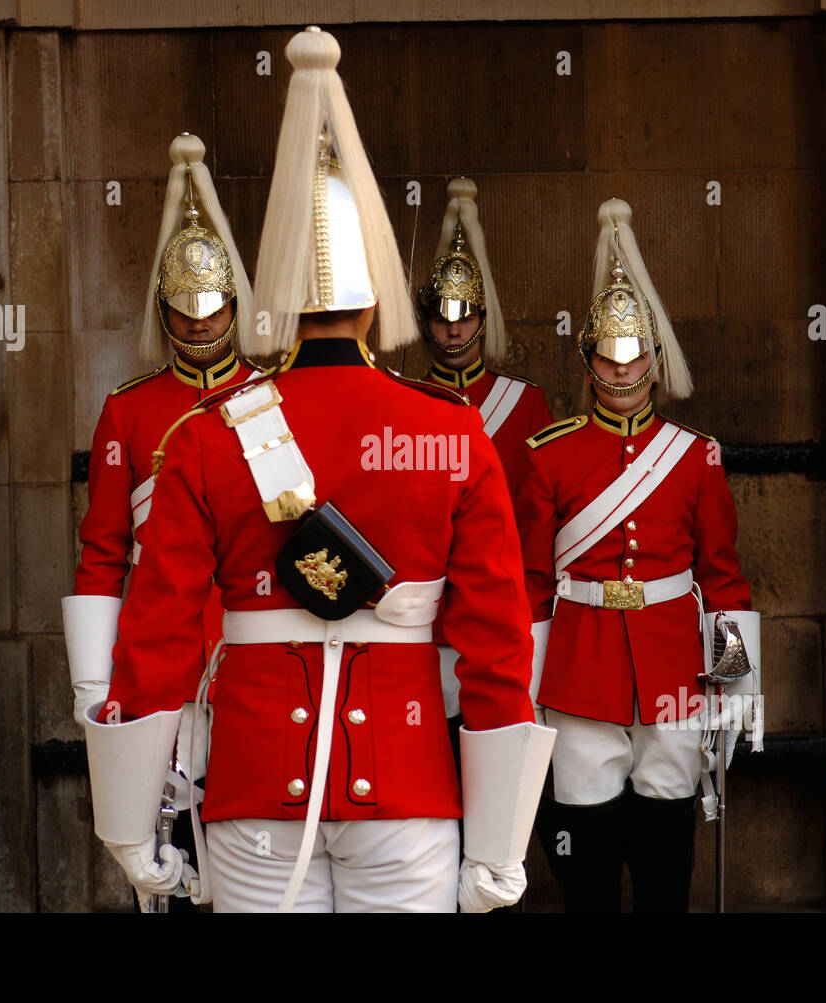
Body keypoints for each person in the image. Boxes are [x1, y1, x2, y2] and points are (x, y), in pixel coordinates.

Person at [79, 26, 554, 914]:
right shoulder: (451, 435)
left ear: (274, 299)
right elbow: (497, 643)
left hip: (254, 795)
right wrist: (496, 847)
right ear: (376, 296)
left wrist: (130, 829)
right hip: (409, 799)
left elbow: (160, 634)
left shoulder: (207, 435)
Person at [515, 198, 761, 913]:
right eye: (607, 360)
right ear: (588, 363)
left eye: (634, 360)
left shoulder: (694, 457)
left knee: (667, 856)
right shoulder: (549, 455)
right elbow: (532, 581)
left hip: (675, 672)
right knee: (585, 862)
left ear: (655, 363)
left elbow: (721, 577)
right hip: (579, 670)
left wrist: (733, 683)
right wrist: (527, 688)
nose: (622, 374)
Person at [61, 132, 259, 913]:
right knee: (163, 859)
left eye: (214, 312)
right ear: (165, 312)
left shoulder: (271, 400)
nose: (202, 327)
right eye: (187, 313)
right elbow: (104, 551)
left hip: (245, 646)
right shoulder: (130, 410)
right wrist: (91, 681)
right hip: (158, 656)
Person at [415, 177, 555, 743]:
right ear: (425, 321)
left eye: (466, 316)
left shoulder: (525, 404)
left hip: (503, 605)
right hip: (429, 614)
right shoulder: (408, 400)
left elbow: (540, 520)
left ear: (483, 318)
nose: (453, 328)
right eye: (442, 317)